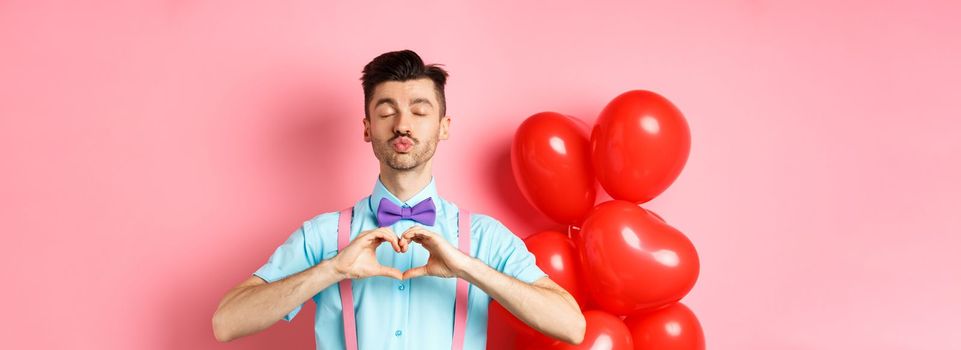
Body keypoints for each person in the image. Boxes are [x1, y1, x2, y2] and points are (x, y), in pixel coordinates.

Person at [212, 49, 585, 349]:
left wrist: (467, 268)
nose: (402, 124)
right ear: (367, 127)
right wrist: (333, 269)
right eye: (386, 111)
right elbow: (226, 323)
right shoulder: (323, 235)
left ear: (443, 127)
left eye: (420, 111)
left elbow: (571, 326)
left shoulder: (484, 237)